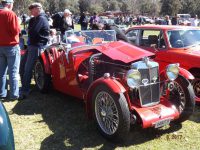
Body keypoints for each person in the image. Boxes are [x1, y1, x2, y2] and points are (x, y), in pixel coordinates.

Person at [19, 2, 50, 100]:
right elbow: (30, 31)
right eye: (30, 8)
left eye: (32, 8)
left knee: (27, 68)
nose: (31, 10)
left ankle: (25, 90)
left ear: (38, 9)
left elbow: (33, 32)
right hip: (31, 45)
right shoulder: (35, 19)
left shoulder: (41, 18)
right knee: (23, 66)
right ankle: (25, 87)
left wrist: (30, 30)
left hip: (36, 46)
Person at [0, 0, 21, 100]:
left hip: (0, 46)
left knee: (1, 72)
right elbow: (16, 31)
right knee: (13, 72)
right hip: (11, 46)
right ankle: (14, 94)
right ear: (9, 4)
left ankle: (2, 93)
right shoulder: (10, 13)